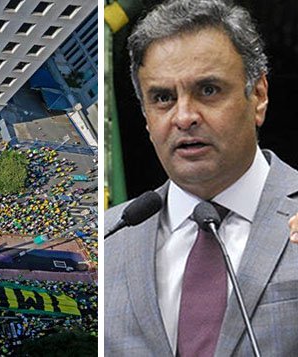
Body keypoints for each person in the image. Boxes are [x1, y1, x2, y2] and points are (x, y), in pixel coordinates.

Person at [105, 1, 298, 356]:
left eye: (208, 90)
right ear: (146, 118)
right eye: (162, 98)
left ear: (257, 96)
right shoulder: (109, 235)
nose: (184, 117)